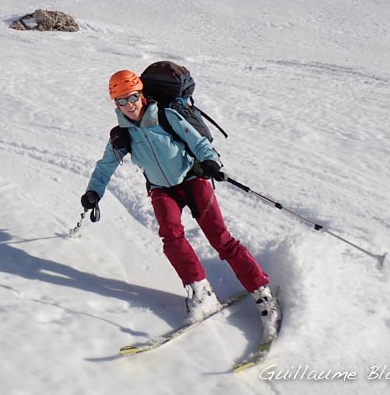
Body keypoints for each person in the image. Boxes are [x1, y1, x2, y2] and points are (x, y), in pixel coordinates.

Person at [81, 69, 280, 339]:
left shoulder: (166, 116)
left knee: (220, 238)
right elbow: (105, 166)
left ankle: (263, 293)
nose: (129, 105)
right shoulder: (121, 135)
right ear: (114, 104)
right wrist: (94, 192)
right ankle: (201, 292)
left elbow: (198, 143)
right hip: (162, 190)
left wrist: (210, 162)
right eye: (121, 101)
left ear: (142, 94)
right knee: (171, 236)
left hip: (192, 179)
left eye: (133, 97)